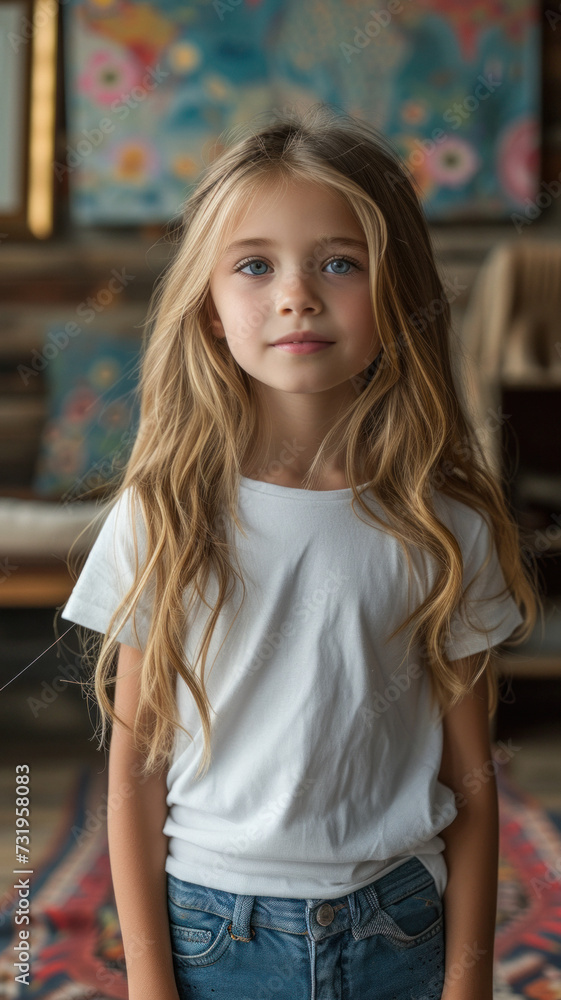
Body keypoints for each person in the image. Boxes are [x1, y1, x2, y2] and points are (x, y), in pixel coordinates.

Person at [59, 103, 540, 1000]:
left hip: (401, 927)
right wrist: (151, 981)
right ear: (208, 308)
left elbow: (469, 782)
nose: (296, 294)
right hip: (211, 933)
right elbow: (134, 769)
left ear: (397, 292)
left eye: (339, 263)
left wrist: (467, 980)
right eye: (255, 265)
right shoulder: (162, 513)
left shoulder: (445, 525)